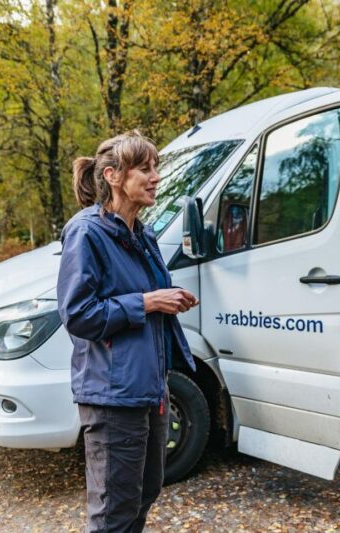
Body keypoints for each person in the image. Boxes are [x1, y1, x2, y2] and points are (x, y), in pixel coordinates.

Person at [57, 130, 199, 533]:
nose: (155, 177)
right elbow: (78, 314)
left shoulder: (141, 233)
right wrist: (148, 302)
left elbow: (141, 293)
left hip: (150, 389)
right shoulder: (87, 232)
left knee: (144, 494)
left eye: (156, 168)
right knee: (112, 514)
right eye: (144, 168)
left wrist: (169, 297)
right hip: (112, 395)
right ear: (113, 175)